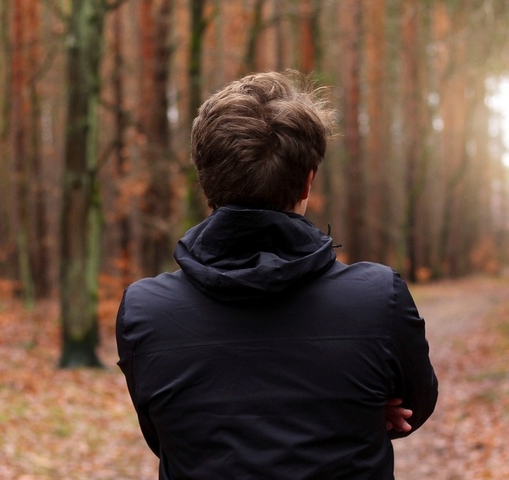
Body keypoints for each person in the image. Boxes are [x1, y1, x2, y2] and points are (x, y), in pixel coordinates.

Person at [116, 71, 438, 479]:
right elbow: (413, 410)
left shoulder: (144, 310)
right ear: (307, 184)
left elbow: (165, 434)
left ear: (206, 182)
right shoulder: (379, 297)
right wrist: (357, 412)